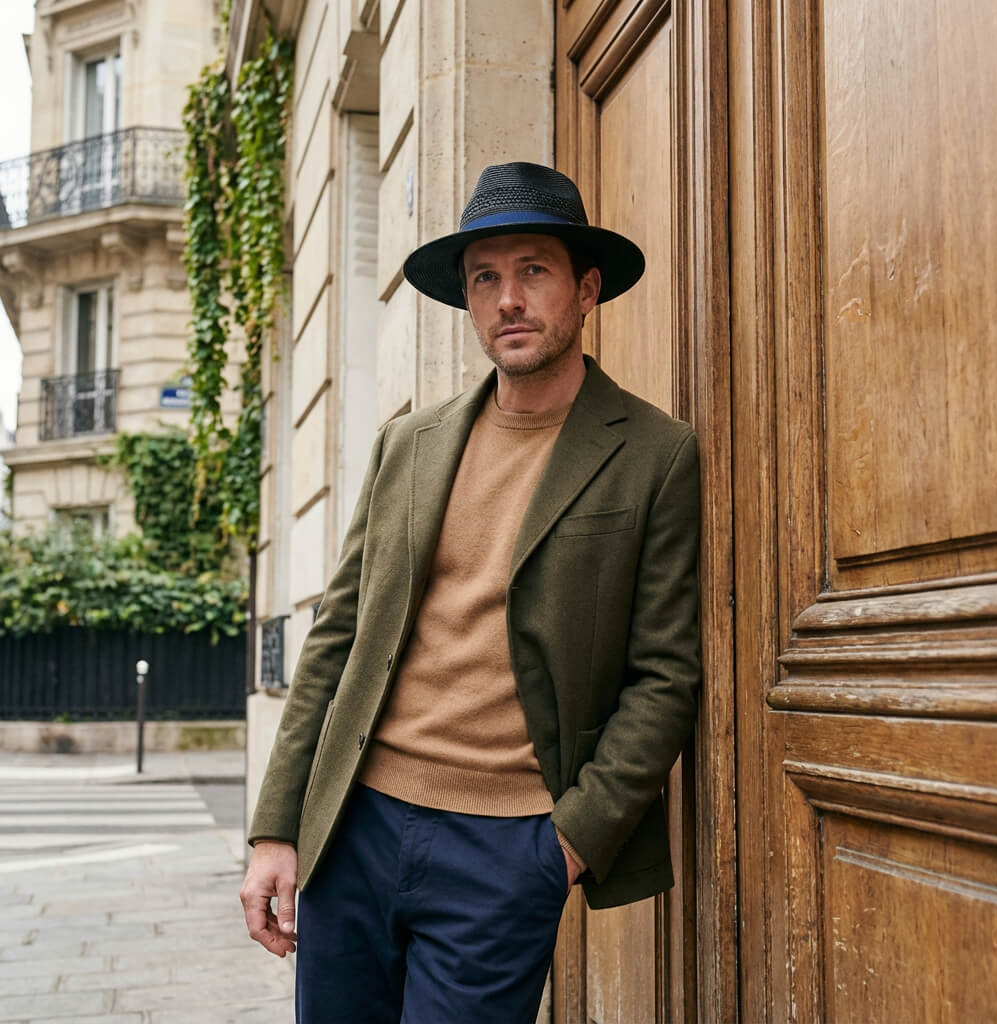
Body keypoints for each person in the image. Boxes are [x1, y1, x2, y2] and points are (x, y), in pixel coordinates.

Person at [239, 161, 701, 1023]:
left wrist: (568, 844)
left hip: (507, 847)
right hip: (355, 824)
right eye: (485, 278)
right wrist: (277, 827)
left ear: (586, 288)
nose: (508, 300)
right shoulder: (409, 444)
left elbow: (666, 674)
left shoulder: (654, 453)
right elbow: (337, 636)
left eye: (533, 271)